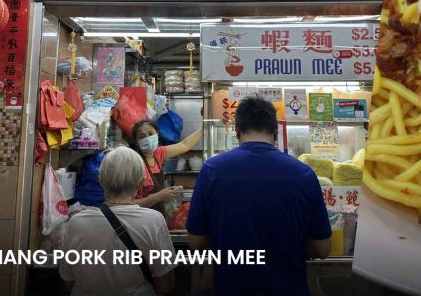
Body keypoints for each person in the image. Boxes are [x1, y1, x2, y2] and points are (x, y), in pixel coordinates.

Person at [186, 96, 332, 295]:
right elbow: (322, 249)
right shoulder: (303, 173)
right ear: (275, 131)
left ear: (236, 130)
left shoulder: (212, 170)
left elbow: (196, 243)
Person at [60, 146, 175, 295]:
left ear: (101, 180)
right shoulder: (154, 221)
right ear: (140, 183)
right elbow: (165, 286)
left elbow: (68, 281)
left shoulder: (76, 223)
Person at [131, 119, 203, 214]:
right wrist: (159, 196)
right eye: (142, 137)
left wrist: (205, 126)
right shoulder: (134, 162)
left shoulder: (158, 153)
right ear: (136, 141)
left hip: (158, 214)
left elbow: (184, 145)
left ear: (157, 134)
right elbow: (128, 204)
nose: (147, 139)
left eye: (150, 134)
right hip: (140, 217)